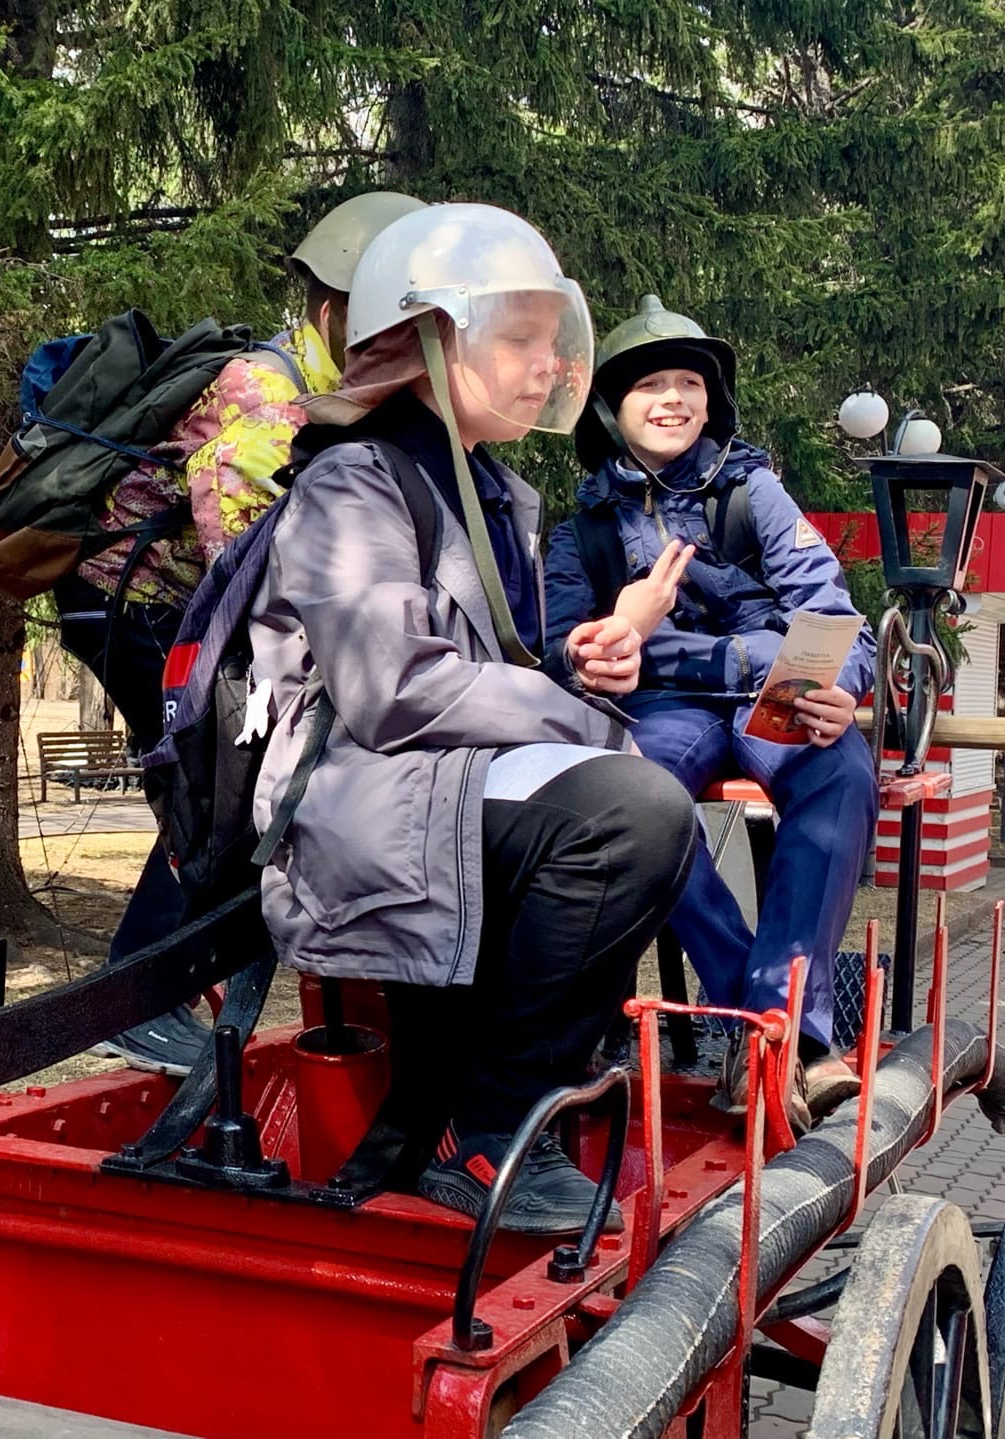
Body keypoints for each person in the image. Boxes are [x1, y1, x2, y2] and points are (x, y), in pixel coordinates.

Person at [247, 205, 697, 1234]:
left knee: (636, 804)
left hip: (423, 795)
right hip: (349, 810)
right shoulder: (356, 478)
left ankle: (441, 1126)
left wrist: (577, 664)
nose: (548, 368)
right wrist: (569, 708)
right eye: (518, 339)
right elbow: (395, 687)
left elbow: (475, 678)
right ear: (430, 337)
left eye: (552, 341)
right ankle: (492, 1134)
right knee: (631, 814)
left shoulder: (485, 490)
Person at [55, 191, 427, 1074]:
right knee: (227, 785)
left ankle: (199, 981)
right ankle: (139, 995)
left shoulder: (321, 389)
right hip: (136, 610)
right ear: (334, 312)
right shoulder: (264, 392)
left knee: (237, 787)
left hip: (176, 608)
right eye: (383, 327)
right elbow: (251, 559)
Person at [542, 295, 878, 1130]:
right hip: (665, 707)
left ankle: (790, 1027)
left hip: (777, 688)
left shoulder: (753, 491)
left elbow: (832, 614)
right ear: (613, 410)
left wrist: (847, 684)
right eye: (649, 384)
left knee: (838, 772)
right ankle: (753, 1015)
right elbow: (558, 651)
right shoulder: (581, 529)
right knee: (630, 800)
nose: (671, 399)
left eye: (687, 383)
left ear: (710, 399)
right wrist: (612, 640)